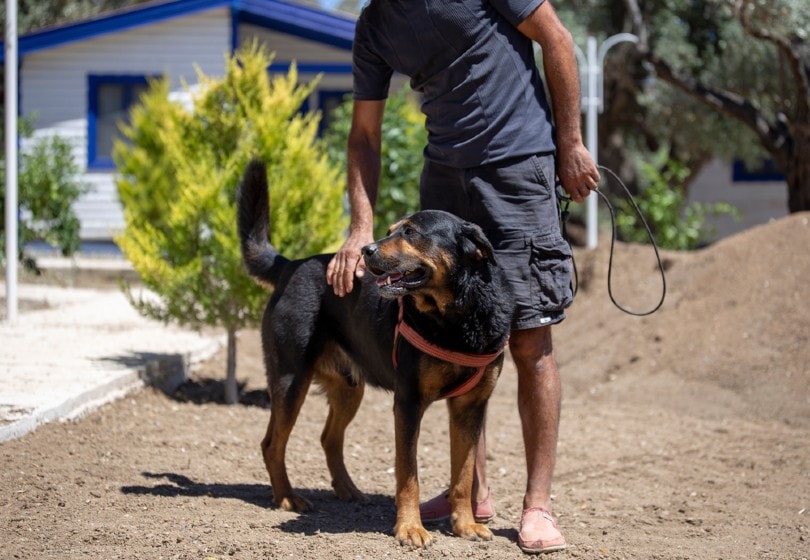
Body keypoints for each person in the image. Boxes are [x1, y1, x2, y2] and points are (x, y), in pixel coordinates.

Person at [326, 0, 600, 554]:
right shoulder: (374, 25)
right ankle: (471, 495)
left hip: (519, 167)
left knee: (528, 338)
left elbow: (557, 38)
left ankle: (537, 507)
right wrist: (361, 227)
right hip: (444, 180)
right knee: (443, 343)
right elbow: (364, 135)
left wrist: (568, 143)